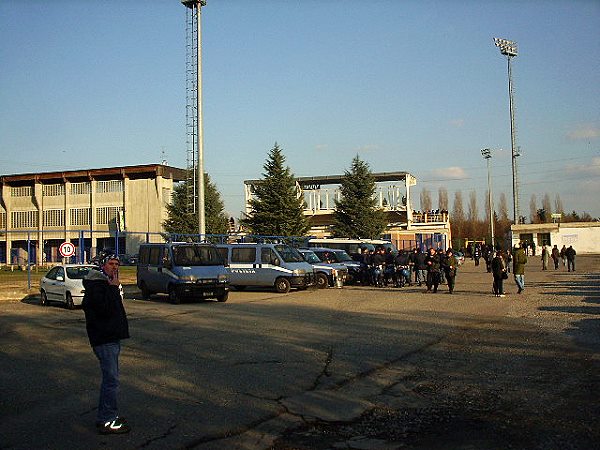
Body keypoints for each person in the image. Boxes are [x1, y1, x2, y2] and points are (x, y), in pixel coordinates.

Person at [82, 253, 131, 435]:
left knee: (111, 380)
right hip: (104, 339)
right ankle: (107, 419)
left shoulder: (107, 284)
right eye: (111, 263)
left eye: (117, 264)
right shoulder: (97, 286)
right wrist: (112, 289)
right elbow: (103, 310)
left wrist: (113, 288)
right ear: (102, 265)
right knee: (111, 381)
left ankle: (107, 415)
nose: (114, 267)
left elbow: (115, 309)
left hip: (111, 337)